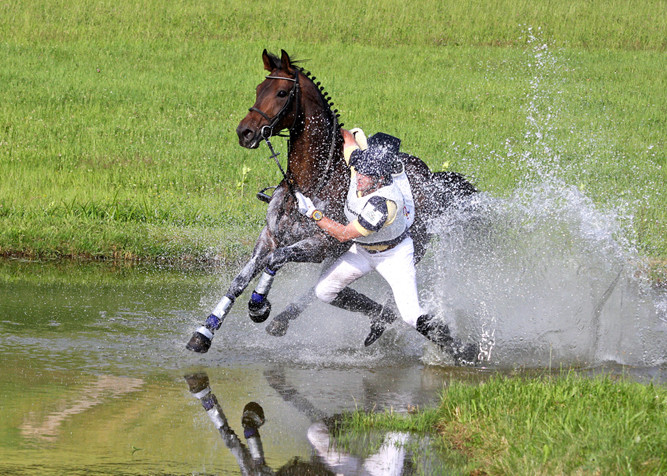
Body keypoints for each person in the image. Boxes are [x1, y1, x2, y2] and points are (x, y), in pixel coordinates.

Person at [295, 128, 478, 364]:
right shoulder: (360, 168)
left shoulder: (384, 204)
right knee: (324, 292)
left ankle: (459, 349)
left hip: (393, 256)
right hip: (362, 251)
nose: (359, 176)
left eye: (366, 174)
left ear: (381, 178)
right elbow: (349, 141)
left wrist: (313, 213)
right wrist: (332, 128)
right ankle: (378, 312)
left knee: (412, 316)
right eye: (358, 169)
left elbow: (343, 234)